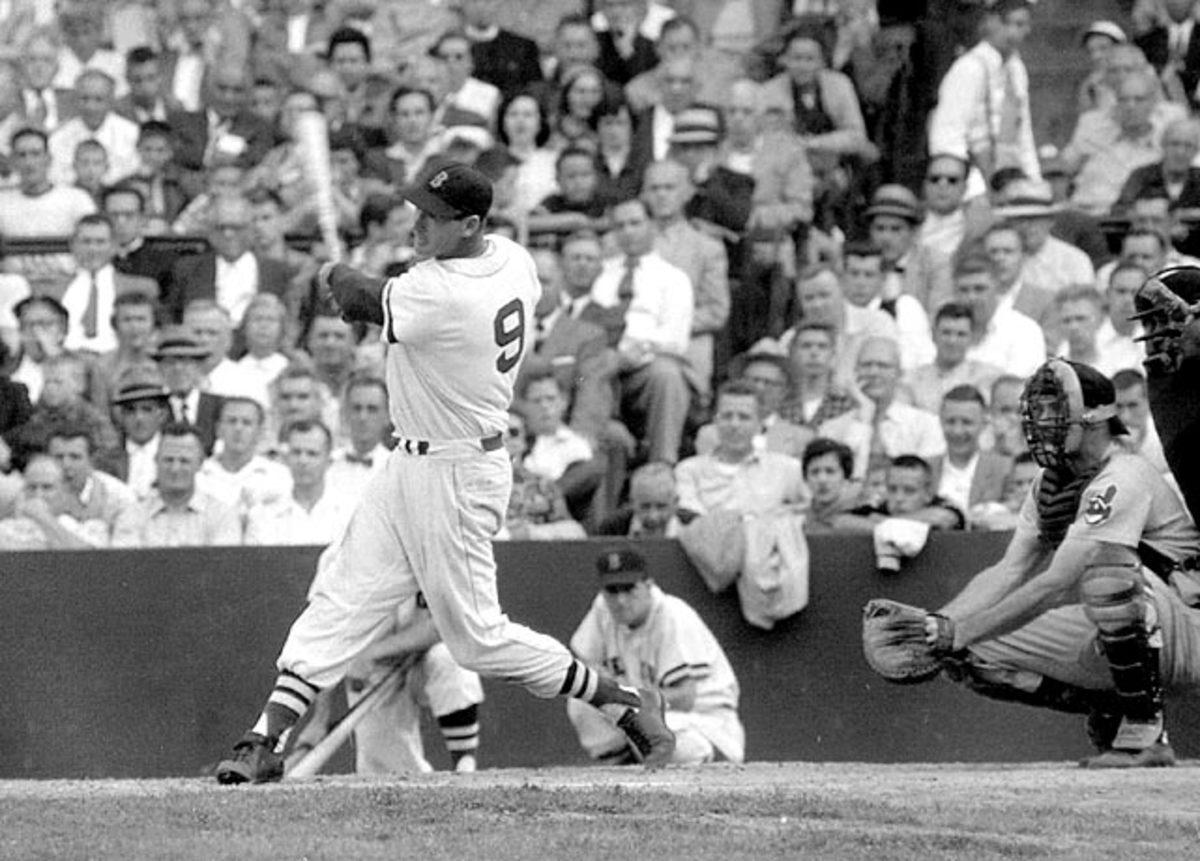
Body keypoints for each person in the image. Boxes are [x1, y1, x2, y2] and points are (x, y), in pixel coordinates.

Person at [214, 158, 675, 785]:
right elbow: (389, 290)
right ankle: (265, 738)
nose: (417, 227)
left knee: (477, 640)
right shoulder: (510, 257)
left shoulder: (445, 293)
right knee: (339, 594)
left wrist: (330, 269)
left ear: (471, 224)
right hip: (410, 461)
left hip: (459, 469)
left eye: (433, 219)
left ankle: (620, 702)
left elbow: (358, 297)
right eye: (416, 213)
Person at [908, 359, 1200, 768]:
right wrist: (938, 627)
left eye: (1052, 409)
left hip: (1189, 626)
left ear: (1095, 418)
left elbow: (1058, 581)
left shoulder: (1124, 475)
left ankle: (1145, 731)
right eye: (1038, 409)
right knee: (972, 652)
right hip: (1139, 627)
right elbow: (1008, 571)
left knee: (1107, 571)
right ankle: (1116, 710)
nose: (1040, 420)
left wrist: (960, 630)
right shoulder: (1049, 482)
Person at [566, 548, 745, 766]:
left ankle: (715, 763)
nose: (621, 600)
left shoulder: (672, 616)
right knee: (582, 699)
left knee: (646, 725)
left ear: (648, 585)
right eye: (612, 590)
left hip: (705, 722)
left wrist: (625, 698)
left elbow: (685, 696)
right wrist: (604, 685)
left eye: (629, 588)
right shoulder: (603, 608)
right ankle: (623, 770)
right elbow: (585, 661)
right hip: (650, 714)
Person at [927, 0, 1038, 199]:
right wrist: (968, 189)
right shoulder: (969, 68)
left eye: (1023, 25)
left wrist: (1033, 182)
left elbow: (1024, 134)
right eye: (1015, 24)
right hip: (974, 182)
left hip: (1011, 177)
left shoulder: (1017, 70)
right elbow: (947, 135)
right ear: (992, 23)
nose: (1018, 34)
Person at [674, 381, 809, 519]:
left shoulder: (787, 469)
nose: (734, 424)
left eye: (744, 417)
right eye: (727, 416)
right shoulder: (689, 471)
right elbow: (692, 518)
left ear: (759, 424)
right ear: (715, 421)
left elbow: (811, 507)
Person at [112, 421, 242, 548]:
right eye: (168, 460)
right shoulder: (132, 515)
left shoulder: (221, 516)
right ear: (156, 461)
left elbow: (224, 566)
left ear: (200, 463)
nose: (175, 469)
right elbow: (126, 566)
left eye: (184, 461)